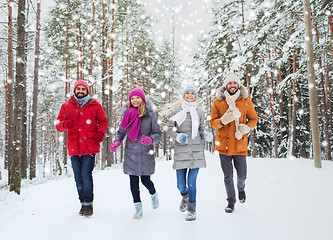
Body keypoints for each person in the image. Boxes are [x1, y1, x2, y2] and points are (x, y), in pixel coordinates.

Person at [56, 80, 108, 216]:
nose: (80, 91)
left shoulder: (95, 105)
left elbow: (103, 121)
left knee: (86, 175)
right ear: (74, 91)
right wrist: (65, 124)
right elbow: (58, 124)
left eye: (83, 89)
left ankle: (89, 205)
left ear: (87, 91)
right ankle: (82, 203)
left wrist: (100, 133)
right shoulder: (66, 106)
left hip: (90, 146)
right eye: (78, 89)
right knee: (78, 178)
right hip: (74, 146)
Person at [210, 71, 258, 213]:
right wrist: (222, 121)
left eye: (234, 83)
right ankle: (231, 202)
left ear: (238, 85)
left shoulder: (246, 101)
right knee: (228, 176)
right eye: (230, 83)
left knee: (242, 174)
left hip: (239, 142)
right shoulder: (218, 101)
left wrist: (246, 128)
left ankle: (241, 188)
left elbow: (254, 119)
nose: (232, 85)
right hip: (223, 144)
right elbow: (213, 122)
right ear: (226, 86)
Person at [110, 88, 162, 219]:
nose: (135, 100)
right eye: (132, 98)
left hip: (146, 153)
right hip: (131, 153)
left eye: (137, 98)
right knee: (133, 182)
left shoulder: (150, 115)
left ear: (143, 99)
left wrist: (150, 139)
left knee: (146, 181)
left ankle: (153, 193)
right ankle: (138, 207)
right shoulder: (127, 114)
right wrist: (117, 142)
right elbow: (121, 132)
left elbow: (158, 133)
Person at [164, 85, 213, 221]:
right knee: (180, 184)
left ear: (195, 96)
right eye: (187, 93)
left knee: (192, 182)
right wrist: (177, 136)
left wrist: (206, 135)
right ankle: (184, 196)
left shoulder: (200, 112)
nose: (190, 95)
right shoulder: (177, 112)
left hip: (196, 152)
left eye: (192, 93)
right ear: (184, 96)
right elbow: (170, 129)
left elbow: (202, 130)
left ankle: (192, 209)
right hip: (181, 151)